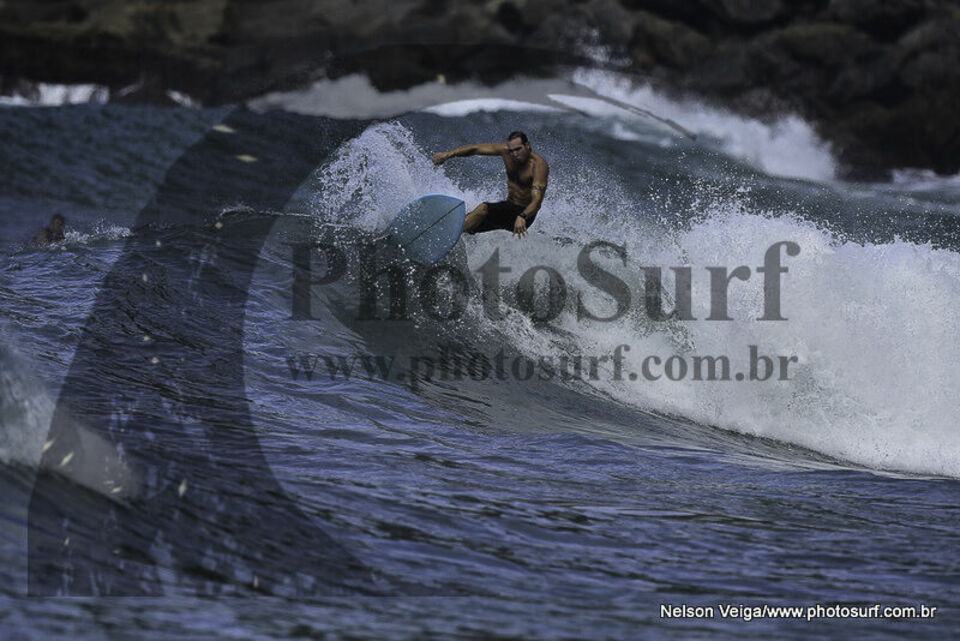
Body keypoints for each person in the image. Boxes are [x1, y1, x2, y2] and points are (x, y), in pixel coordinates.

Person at [433, 131, 549, 239]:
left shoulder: (539, 166)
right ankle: (454, 242)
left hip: (524, 215)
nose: (514, 154)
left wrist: (522, 216)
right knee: (472, 223)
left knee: (483, 209)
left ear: (528, 145)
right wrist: (447, 155)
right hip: (509, 208)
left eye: (518, 149)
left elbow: (537, 201)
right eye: (512, 150)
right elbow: (475, 149)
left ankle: (445, 237)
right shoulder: (508, 150)